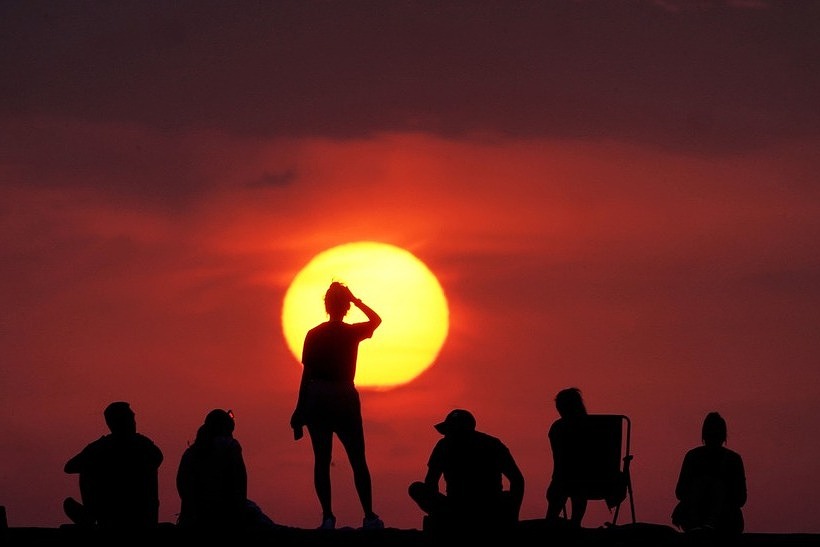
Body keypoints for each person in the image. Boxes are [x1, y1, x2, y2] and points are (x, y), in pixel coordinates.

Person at [290, 281, 384, 530]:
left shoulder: (314, 333)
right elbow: (376, 320)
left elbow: (306, 373)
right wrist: (356, 300)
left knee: (322, 460)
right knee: (357, 459)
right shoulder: (351, 332)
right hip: (343, 394)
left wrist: (299, 409)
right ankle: (369, 516)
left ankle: (328, 517)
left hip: (317, 395)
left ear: (326, 305)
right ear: (345, 307)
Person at [408, 409, 525, 534]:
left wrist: (512, 514)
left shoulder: (490, 445)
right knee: (416, 488)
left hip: (485, 506)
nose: (448, 435)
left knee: (417, 489)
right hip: (460, 506)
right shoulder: (445, 446)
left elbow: (517, 480)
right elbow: (431, 481)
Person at [63, 401, 163, 528]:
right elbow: (70, 467)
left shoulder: (101, 447)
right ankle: (94, 514)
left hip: (134, 513)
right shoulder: (143, 444)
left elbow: (71, 466)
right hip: (139, 515)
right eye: (130, 418)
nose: (134, 422)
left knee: (87, 468)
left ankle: (91, 514)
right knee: (87, 467)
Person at [176, 409, 278, 531]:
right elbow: (240, 487)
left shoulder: (190, 453)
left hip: (193, 517)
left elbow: (182, 487)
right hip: (225, 517)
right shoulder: (230, 446)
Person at [672, 411, 747, 534]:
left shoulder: (732, 460)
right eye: (711, 435)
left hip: (725, 519)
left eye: (715, 435)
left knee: (717, 486)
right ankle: (703, 524)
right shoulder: (693, 457)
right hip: (696, 518)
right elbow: (680, 492)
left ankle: (710, 523)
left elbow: (741, 498)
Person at [545, 387, 591, 527]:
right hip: (597, 479)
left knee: (557, 489)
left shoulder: (558, 428)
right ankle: (576, 522)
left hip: (566, 479)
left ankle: (551, 523)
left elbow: (560, 460)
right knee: (579, 485)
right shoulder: (596, 426)